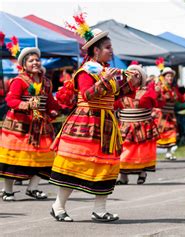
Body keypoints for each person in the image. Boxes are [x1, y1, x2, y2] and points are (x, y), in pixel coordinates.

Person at [49, 27, 141, 222]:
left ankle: (100, 209)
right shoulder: (86, 71)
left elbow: (116, 95)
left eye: (111, 47)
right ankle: (58, 205)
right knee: (76, 163)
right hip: (86, 122)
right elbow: (87, 95)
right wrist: (106, 80)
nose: (111, 50)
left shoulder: (107, 70)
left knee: (107, 164)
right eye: (107, 47)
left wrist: (131, 82)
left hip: (107, 123)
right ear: (96, 50)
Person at [0, 46, 61, 201]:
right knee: (13, 159)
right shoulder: (19, 81)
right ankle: (8, 190)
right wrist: (26, 105)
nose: (35, 62)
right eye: (31, 60)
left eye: (37, 60)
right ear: (24, 65)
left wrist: (54, 111)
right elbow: (11, 100)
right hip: (19, 126)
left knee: (45, 157)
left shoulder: (46, 82)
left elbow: (50, 102)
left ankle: (33, 188)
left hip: (40, 126)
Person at [115, 65, 159, 185]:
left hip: (142, 125)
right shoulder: (121, 91)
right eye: (131, 75)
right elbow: (114, 104)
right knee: (124, 150)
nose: (133, 77)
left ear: (141, 78)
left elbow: (156, 103)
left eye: (136, 75)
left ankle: (142, 172)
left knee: (142, 150)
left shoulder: (147, 91)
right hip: (125, 125)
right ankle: (123, 176)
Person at [154, 67, 179, 160]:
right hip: (161, 114)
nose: (170, 78)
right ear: (164, 77)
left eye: (171, 76)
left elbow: (177, 99)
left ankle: (168, 152)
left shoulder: (173, 88)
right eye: (168, 76)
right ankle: (154, 153)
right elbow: (157, 100)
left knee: (171, 132)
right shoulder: (160, 87)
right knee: (159, 133)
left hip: (170, 114)